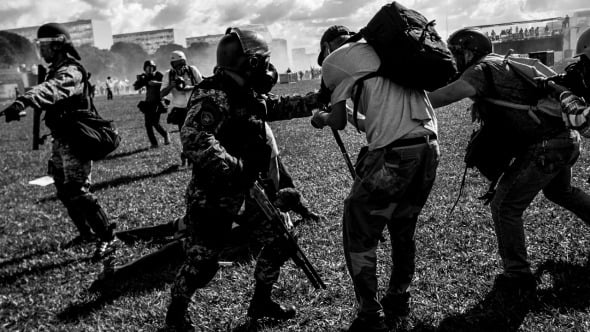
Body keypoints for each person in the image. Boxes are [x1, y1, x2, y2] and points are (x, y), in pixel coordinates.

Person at [427, 28, 590, 329]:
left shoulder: (480, 69)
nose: (452, 58)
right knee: (561, 192)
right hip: (564, 138)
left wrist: (407, 99)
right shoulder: (500, 61)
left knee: (504, 206)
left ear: (467, 50)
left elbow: (446, 96)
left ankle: (518, 275)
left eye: (454, 52)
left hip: (547, 146)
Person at [162, 27, 323, 331]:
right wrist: (235, 167)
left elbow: (273, 107)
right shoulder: (214, 93)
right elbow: (195, 137)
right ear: (247, 62)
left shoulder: (245, 91)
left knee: (282, 239)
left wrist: (318, 98)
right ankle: (176, 315)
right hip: (213, 193)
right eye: (262, 61)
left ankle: (261, 301)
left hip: (249, 189)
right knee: (202, 263)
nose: (266, 68)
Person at [311, 25, 440, 332]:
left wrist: (320, 118)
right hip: (428, 148)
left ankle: (370, 311)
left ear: (327, 47)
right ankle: (398, 294)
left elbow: (339, 120)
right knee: (403, 223)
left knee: (357, 223)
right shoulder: (384, 52)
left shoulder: (336, 61)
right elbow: (369, 120)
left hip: (395, 155)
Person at [1, 23, 117, 260]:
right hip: (62, 139)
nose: (41, 51)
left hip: (77, 139)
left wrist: (24, 100)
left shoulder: (70, 71)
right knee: (64, 189)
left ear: (58, 45)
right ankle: (86, 233)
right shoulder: (56, 69)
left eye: (43, 46)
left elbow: (53, 89)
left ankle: (108, 238)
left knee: (79, 191)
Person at [160, 50, 203, 166]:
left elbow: (202, 85)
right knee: (184, 135)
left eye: (181, 62)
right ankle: (186, 155)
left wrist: (188, 88)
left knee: (197, 133)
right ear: (172, 64)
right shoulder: (168, 74)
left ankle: (192, 156)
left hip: (194, 106)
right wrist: (172, 85)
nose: (180, 66)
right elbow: (162, 93)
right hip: (180, 109)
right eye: (176, 63)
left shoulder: (192, 70)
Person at [133, 60, 171, 148]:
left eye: (151, 68)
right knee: (147, 124)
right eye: (148, 68)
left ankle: (165, 134)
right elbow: (136, 87)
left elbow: (166, 84)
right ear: (145, 69)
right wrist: (139, 80)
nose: (150, 69)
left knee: (155, 122)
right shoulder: (145, 77)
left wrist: (156, 83)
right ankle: (154, 143)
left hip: (158, 102)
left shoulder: (158, 75)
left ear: (154, 68)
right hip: (148, 103)